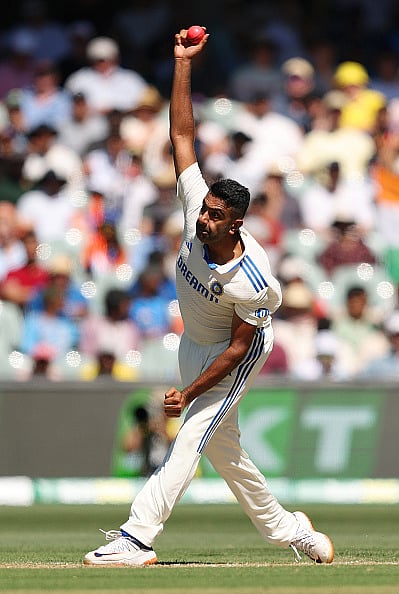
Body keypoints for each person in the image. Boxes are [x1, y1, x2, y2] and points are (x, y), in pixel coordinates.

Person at [84, 27, 334, 567]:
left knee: (192, 436)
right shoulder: (198, 202)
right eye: (203, 209)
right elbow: (181, 134)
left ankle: (135, 537)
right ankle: (294, 531)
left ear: (237, 223)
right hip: (194, 341)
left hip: (232, 352)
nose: (202, 217)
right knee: (228, 454)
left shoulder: (254, 278)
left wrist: (189, 391)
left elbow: (239, 350)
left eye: (215, 216)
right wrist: (182, 64)